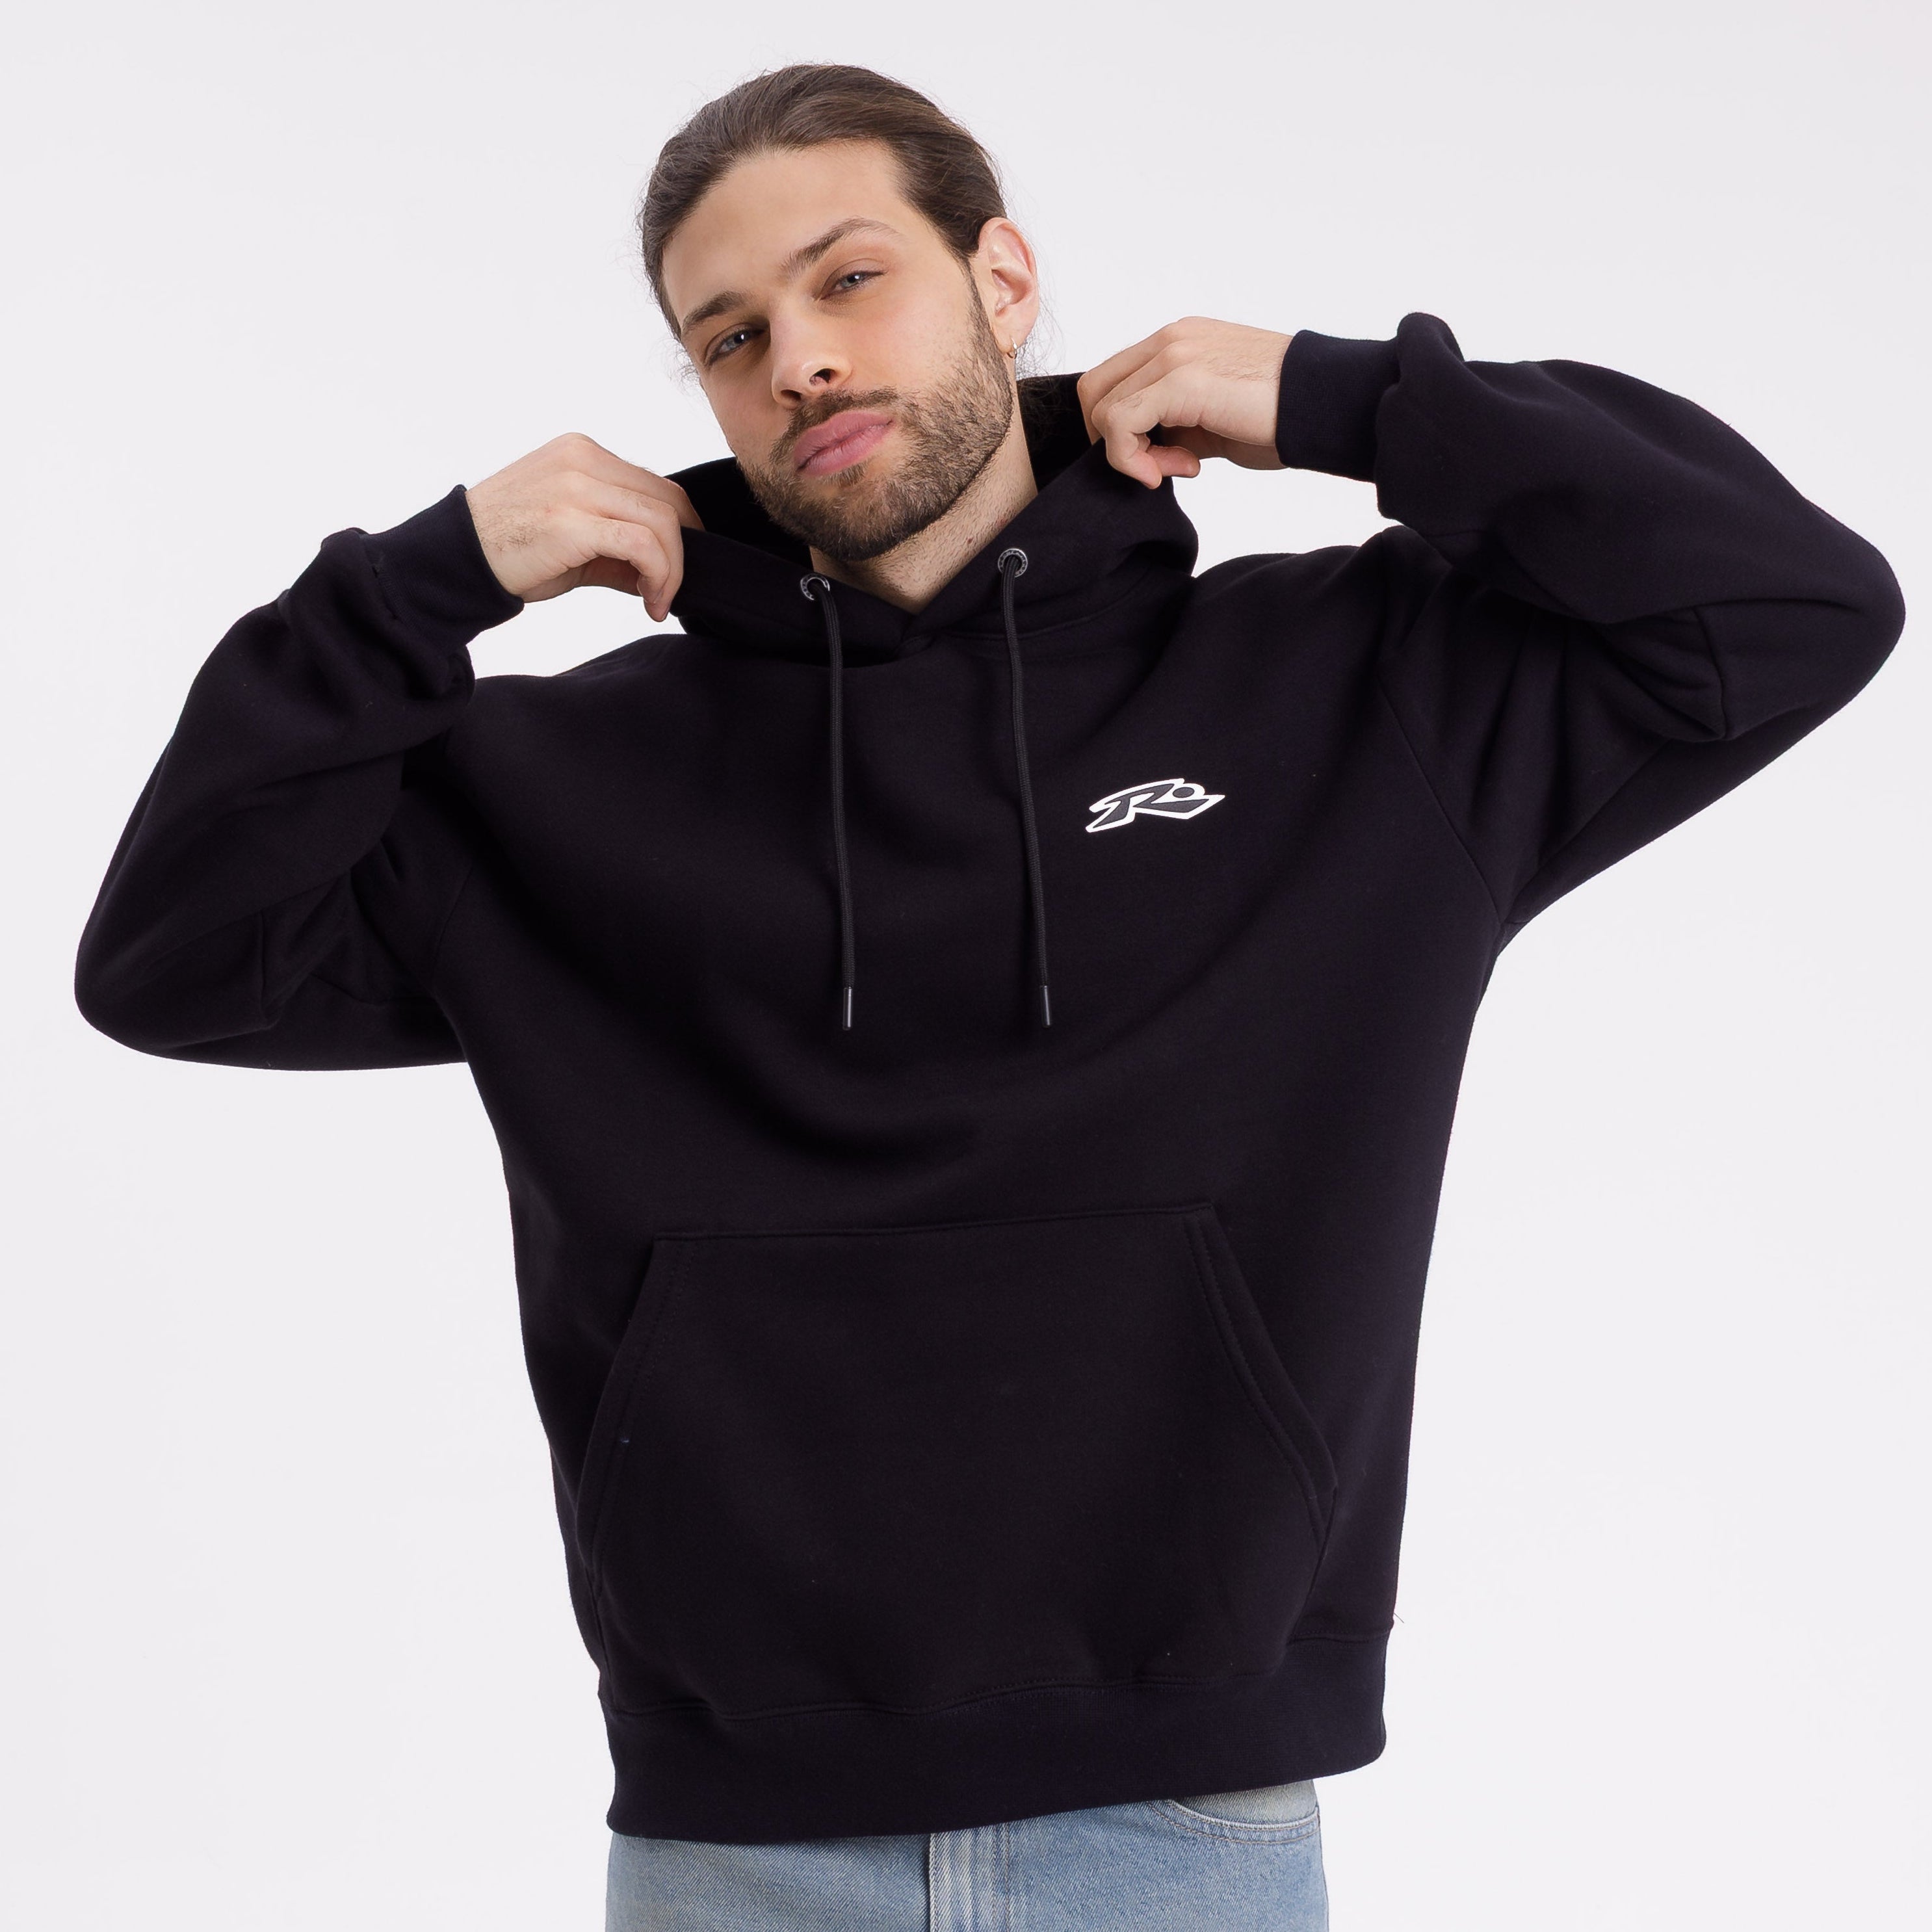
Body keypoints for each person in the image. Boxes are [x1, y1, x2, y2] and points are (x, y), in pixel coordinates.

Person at [73, 60, 1903, 1932]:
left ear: (1002, 280)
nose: (798, 358)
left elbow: (1790, 605)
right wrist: (411, 592)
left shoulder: (1353, 695)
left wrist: (1354, 400)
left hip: (1178, 1831)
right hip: (735, 1848)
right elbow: (171, 958)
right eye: (729, 335)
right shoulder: (557, 786)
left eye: (849, 278)